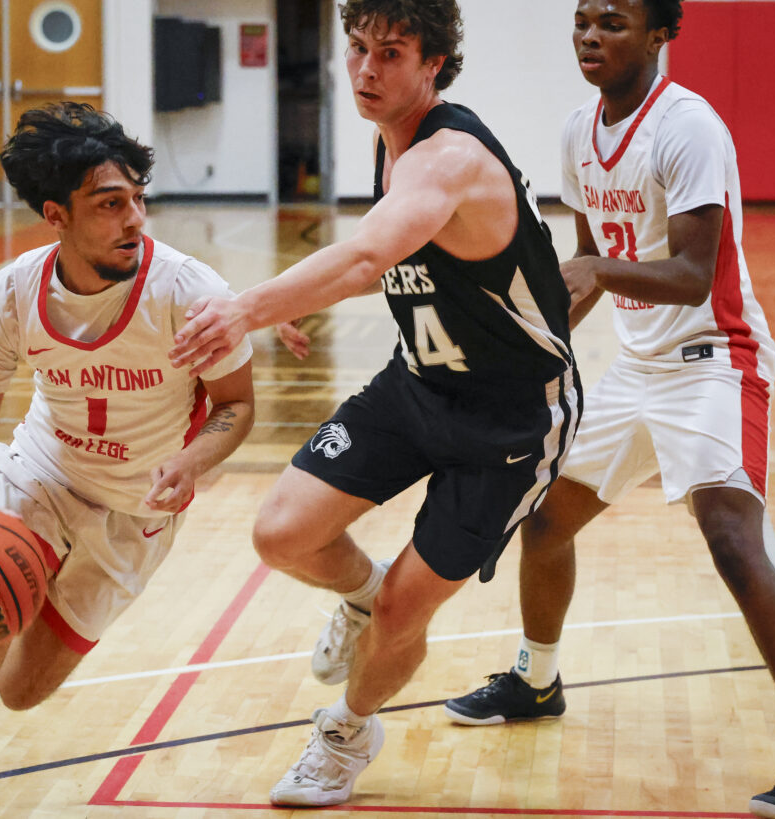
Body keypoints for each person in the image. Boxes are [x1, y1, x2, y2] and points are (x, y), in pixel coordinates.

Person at [169, 0, 580, 806]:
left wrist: (248, 307)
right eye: (357, 47)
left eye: (390, 53)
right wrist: (296, 296)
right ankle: (362, 593)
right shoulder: (389, 141)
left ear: (434, 65)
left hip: (511, 421)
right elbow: (388, 265)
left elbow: (364, 258)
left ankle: (347, 731)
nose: (365, 68)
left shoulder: (449, 155)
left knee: (404, 614)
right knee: (281, 533)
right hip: (419, 384)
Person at [442, 2, 775, 816]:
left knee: (730, 536)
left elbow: (689, 272)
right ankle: (536, 681)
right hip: (638, 363)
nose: (589, 36)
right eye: (582, 20)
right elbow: (586, 263)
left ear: (659, 35)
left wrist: (602, 274)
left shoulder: (688, 128)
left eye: (612, 22)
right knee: (544, 519)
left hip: (716, 359)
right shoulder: (580, 128)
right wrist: (533, 354)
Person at [0, 102, 254, 819]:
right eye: (110, 204)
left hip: (137, 508)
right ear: (57, 215)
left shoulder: (187, 291)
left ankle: (34, 592)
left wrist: (194, 460)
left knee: (19, 688)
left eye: (138, 199)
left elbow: (236, 405)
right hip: (42, 472)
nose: (135, 218)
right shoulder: (12, 293)